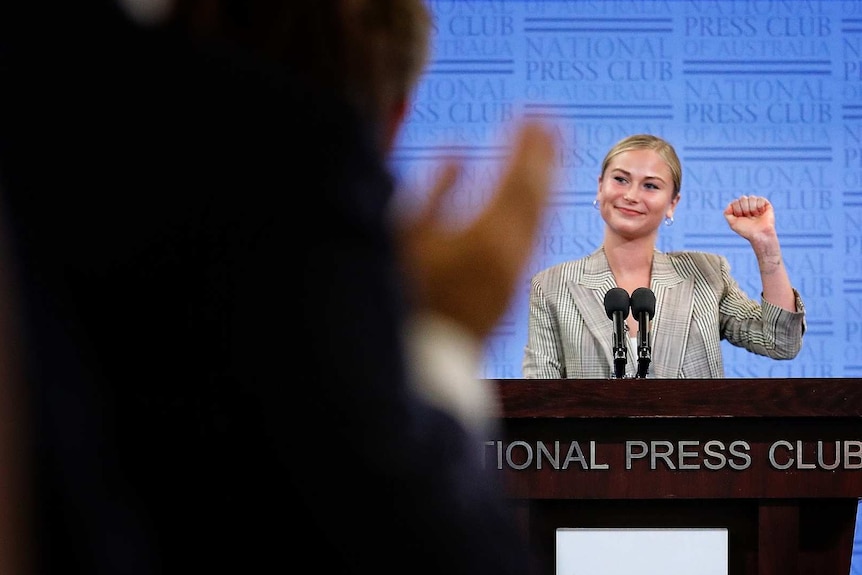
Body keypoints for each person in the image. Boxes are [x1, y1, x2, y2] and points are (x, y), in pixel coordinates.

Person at [0, 1, 557, 574]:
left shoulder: (53, 110)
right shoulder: (296, 181)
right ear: (393, 119)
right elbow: (416, 540)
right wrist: (443, 333)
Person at [522, 133, 806, 379]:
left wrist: (765, 243)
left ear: (672, 203)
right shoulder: (553, 286)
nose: (631, 195)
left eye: (650, 186)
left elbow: (780, 341)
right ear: (600, 187)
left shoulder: (705, 274)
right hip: (590, 444)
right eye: (620, 179)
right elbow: (540, 396)